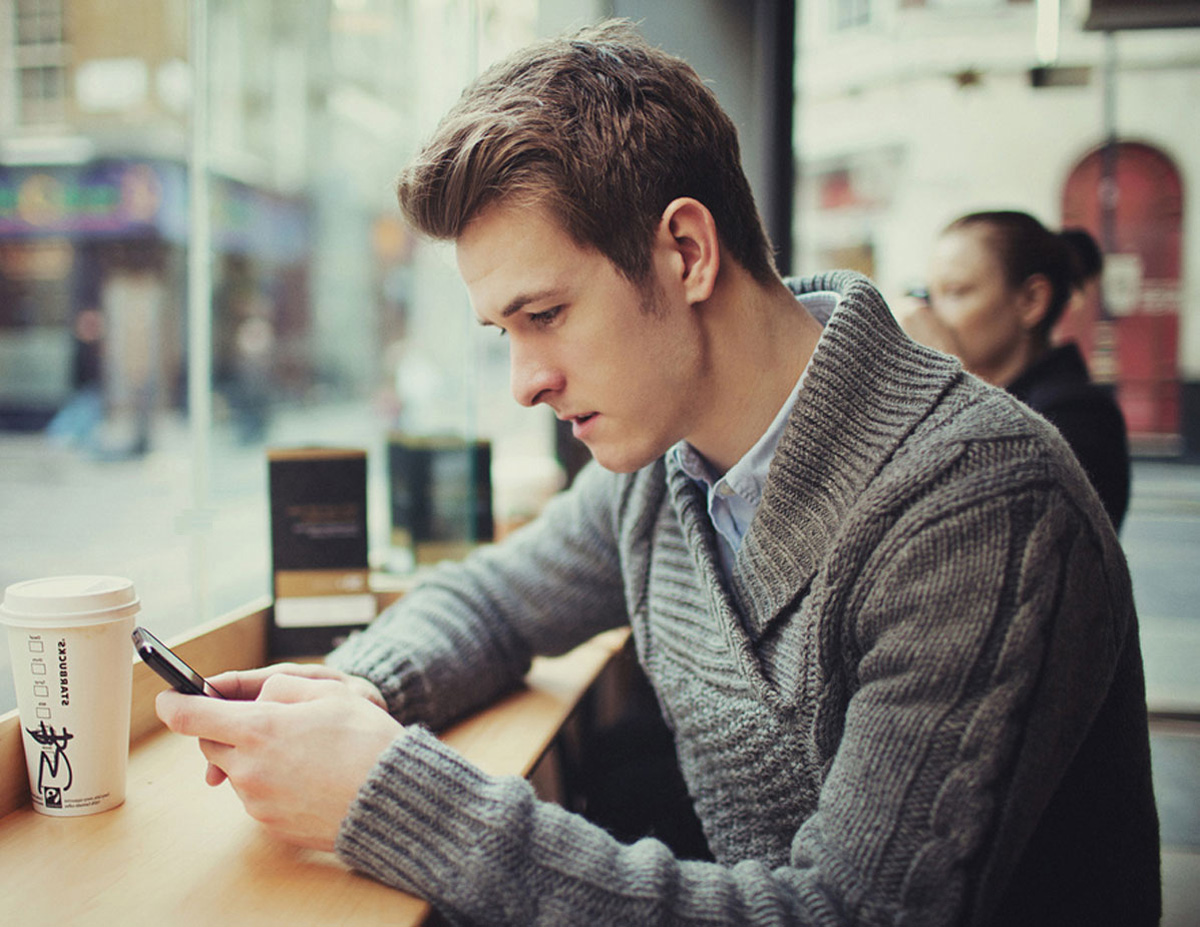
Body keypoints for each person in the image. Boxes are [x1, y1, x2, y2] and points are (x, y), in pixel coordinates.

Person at [157, 21, 1160, 927]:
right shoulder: (664, 458)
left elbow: (849, 914)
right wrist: (335, 700)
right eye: (503, 331)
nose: (524, 384)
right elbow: (496, 602)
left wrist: (395, 798)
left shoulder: (983, 509)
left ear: (686, 251)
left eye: (543, 315)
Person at [901, 212, 1131, 530]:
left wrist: (946, 378)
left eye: (955, 291)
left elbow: (987, 525)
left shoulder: (1079, 414)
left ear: (1031, 300)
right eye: (928, 295)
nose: (929, 315)